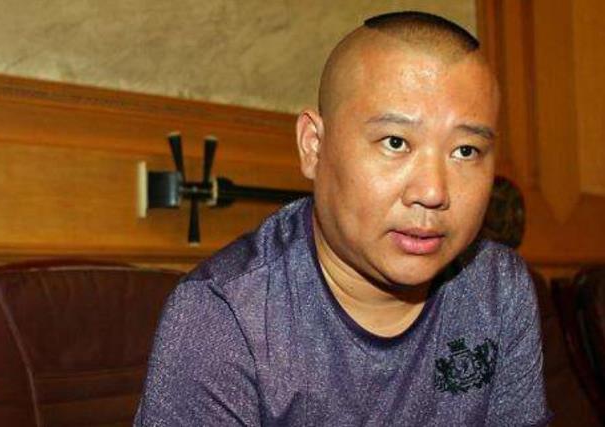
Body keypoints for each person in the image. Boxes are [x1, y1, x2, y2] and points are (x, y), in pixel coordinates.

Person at [135, 11, 551, 426]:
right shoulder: (225, 315)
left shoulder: (498, 287)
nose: (432, 192)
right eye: (395, 142)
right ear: (313, 146)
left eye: (465, 151)